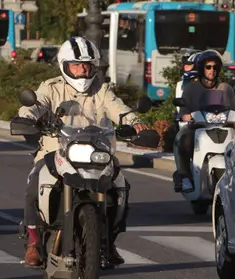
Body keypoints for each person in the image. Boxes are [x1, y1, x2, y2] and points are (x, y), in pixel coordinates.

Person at [18, 36, 147, 267]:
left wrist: (135, 121)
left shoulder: (101, 89)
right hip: (56, 153)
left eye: (87, 65)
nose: (82, 70)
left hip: (97, 153)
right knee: (33, 185)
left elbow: (119, 109)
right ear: (65, 65)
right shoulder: (51, 87)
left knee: (120, 186)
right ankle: (34, 243)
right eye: (77, 65)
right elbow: (35, 105)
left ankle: (109, 240)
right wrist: (27, 117)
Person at [175, 50, 235, 192]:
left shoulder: (225, 88)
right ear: (202, 68)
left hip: (222, 126)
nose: (212, 70)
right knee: (184, 140)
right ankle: (184, 176)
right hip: (197, 127)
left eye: (215, 67)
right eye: (208, 67)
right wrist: (185, 115)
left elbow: (233, 108)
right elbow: (183, 109)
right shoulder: (191, 89)